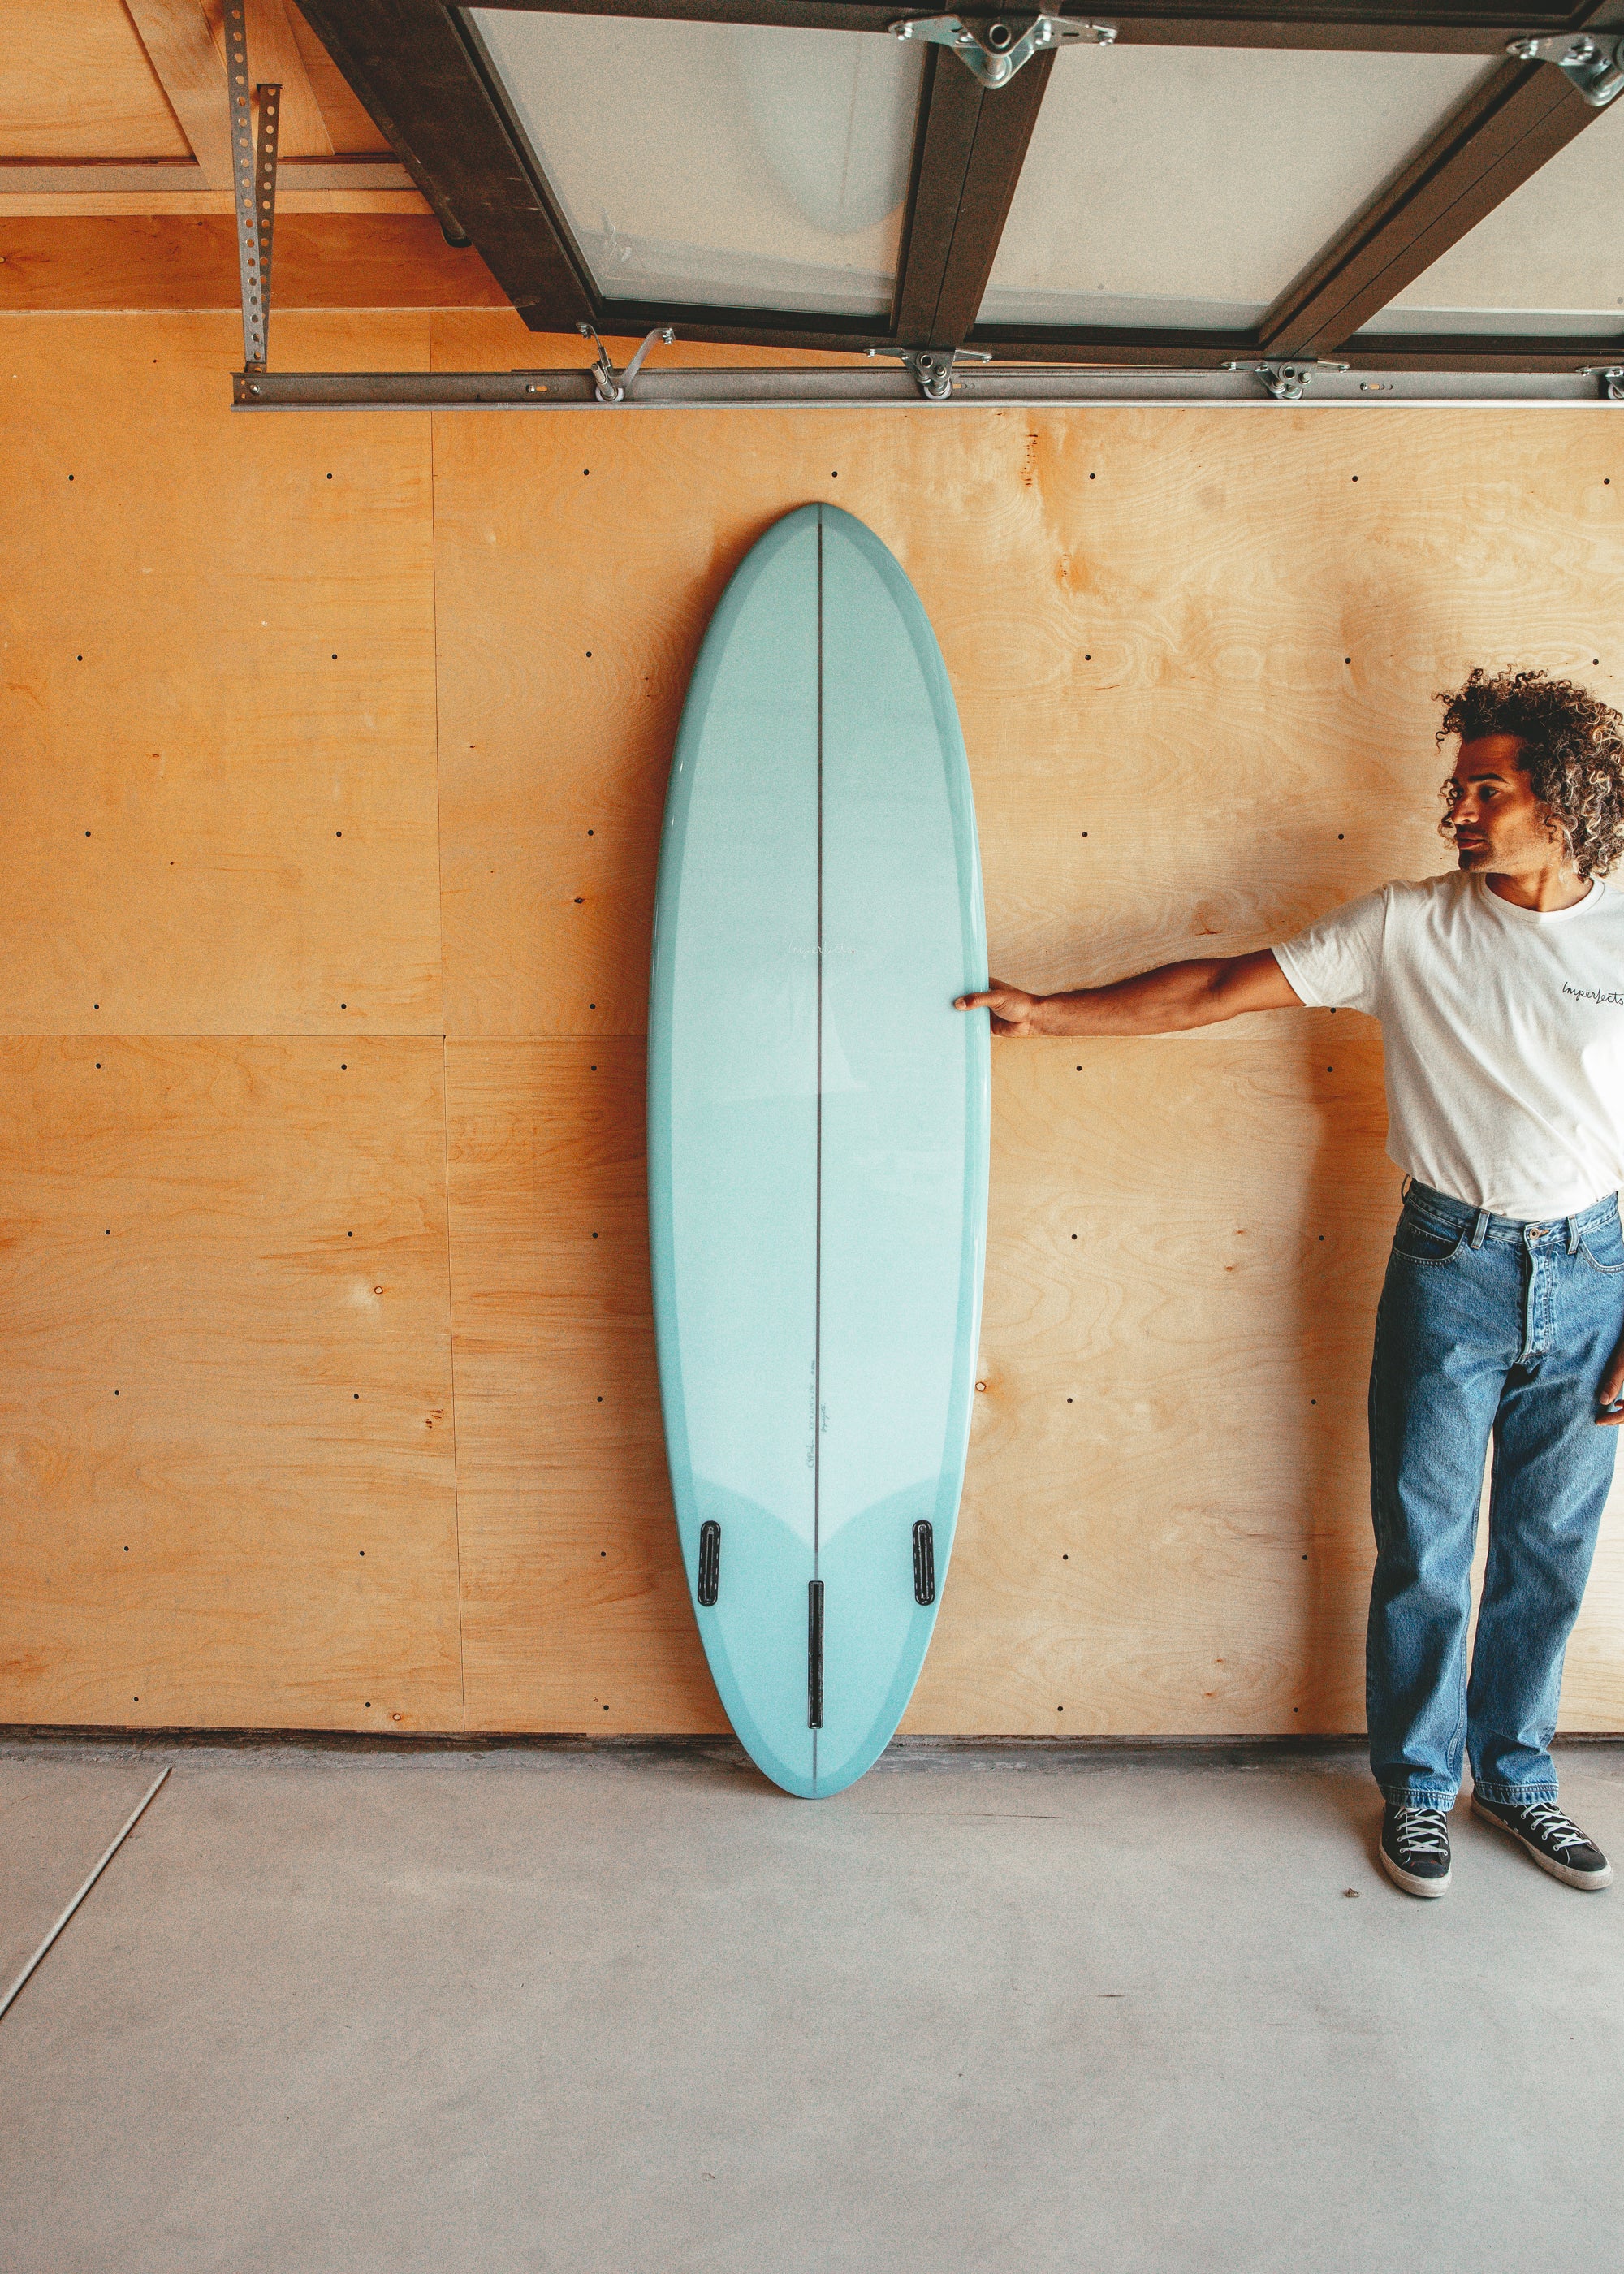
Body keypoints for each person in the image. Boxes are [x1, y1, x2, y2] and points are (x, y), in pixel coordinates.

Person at [957, 668, 1624, 1899]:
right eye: (1457, 788)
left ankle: (1519, 1779)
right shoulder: (1407, 927)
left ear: (1568, 796)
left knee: (1550, 1551)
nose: (1457, 810)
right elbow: (1219, 986)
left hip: (1598, 1274)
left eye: (1487, 789)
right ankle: (1419, 1790)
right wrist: (1049, 1013)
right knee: (1426, 1549)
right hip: (1451, 1268)